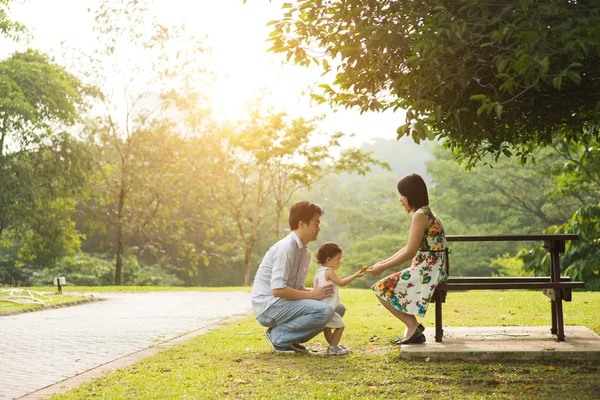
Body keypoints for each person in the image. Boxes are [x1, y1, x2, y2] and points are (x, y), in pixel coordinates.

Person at [367, 173, 448, 345]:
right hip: (432, 267)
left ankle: (412, 326)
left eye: (402, 194)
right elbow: (408, 247)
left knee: (381, 289)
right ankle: (413, 327)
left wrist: (383, 268)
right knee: (383, 288)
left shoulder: (420, 215)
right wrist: (382, 264)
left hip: (429, 269)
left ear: (411, 195)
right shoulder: (425, 212)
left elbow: (410, 251)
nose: (400, 199)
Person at [251, 201, 340, 353]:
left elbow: (297, 287)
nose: (318, 228)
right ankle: (279, 337)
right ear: (302, 224)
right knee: (324, 311)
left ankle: (291, 339)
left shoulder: (304, 252)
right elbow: (278, 290)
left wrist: (317, 293)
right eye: (316, 223)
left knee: (336, 307)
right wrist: (313, 295)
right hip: (268, 305)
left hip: (284, 302)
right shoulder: (286, 247)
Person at [313, 242, 365, 356]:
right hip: (328, 307)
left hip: (321, 306)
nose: (339, 262)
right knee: (340, 326)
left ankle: (333, 346)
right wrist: (355, 275)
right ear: (328, 259)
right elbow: (341, 283)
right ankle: (332, 348)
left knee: (327, 328)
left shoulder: (319, 272)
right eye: (338, 259)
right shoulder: (329, 272)